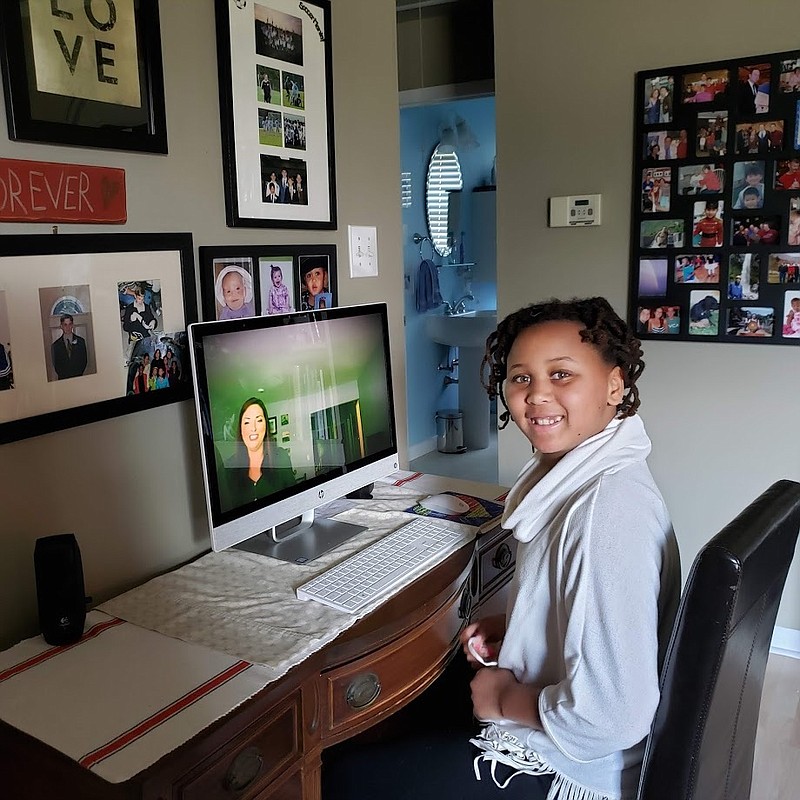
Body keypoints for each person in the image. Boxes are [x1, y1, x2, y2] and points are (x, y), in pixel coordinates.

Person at [324, 298, 681, 800]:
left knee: (344, 773)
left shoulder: (607, 513)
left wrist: (506, 699)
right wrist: (521, 627)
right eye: (520, 378)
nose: (537, 395)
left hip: (575, 767)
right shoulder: (581, 472)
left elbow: (614, 718)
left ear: (615, 384)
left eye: (561, 375)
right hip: (566, 725)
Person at [221, 397, 297, 508]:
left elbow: (294, 503)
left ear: (266, 425)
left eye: (259, 420)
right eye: (247, 422)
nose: (253, 428)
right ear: (241, 429)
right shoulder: (229, 468)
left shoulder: (281, 458)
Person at [51, 313, 88, 380]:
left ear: (73, 325)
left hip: (79, 378)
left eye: (70, 324)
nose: (68, 327)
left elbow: (84, 361)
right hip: (63, 380)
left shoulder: (81, 341)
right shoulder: (55, 346)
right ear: (61, 326)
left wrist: (77, 376)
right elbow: (56, 366)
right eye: (65, 325)